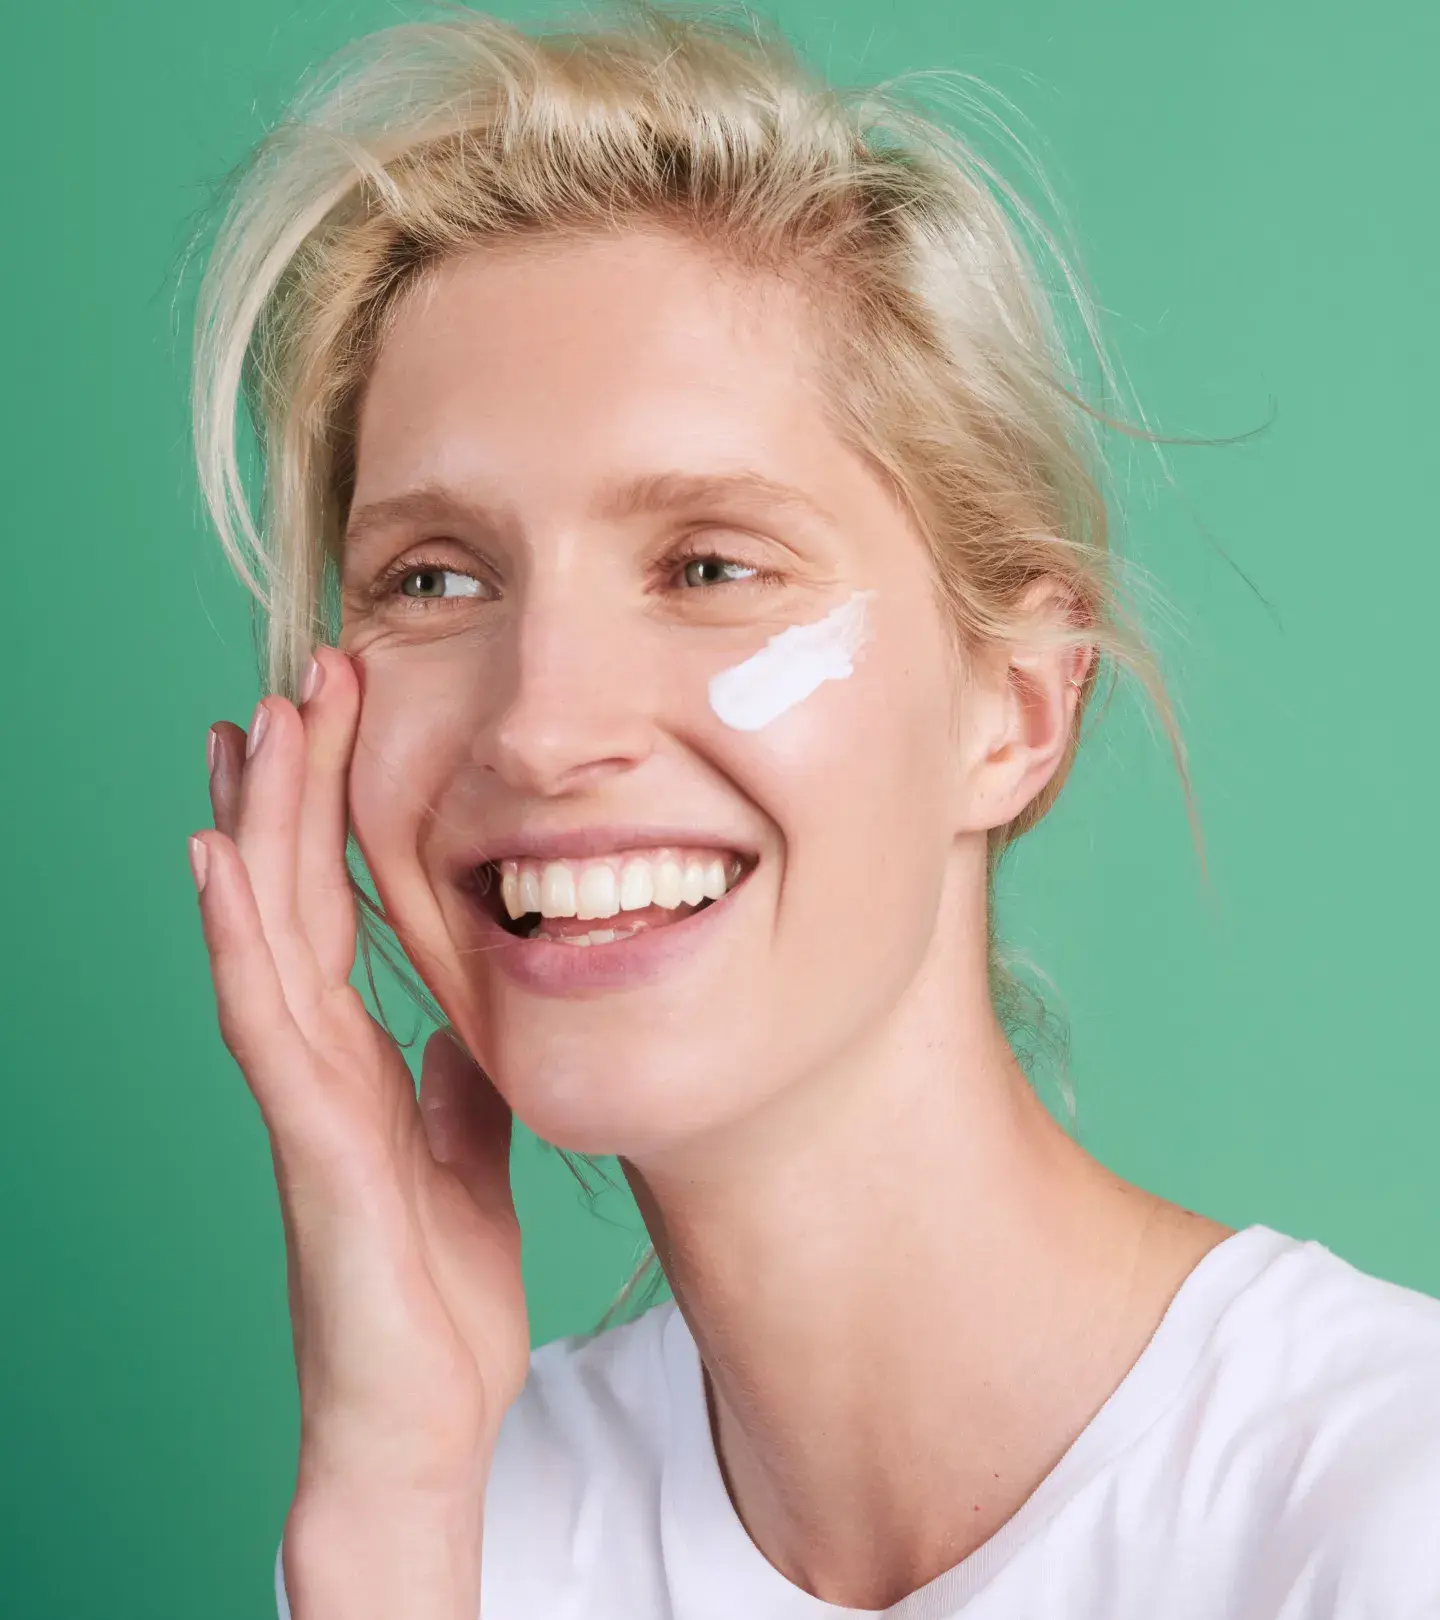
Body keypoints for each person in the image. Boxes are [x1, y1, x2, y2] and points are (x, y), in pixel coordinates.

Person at [185, 5, 1440, 1617]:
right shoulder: (449, 1511)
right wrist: (394, 1514)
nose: (541, 728)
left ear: (1018, 707)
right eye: (433, 579)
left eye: (711, 565)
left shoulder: (1385, 1512)